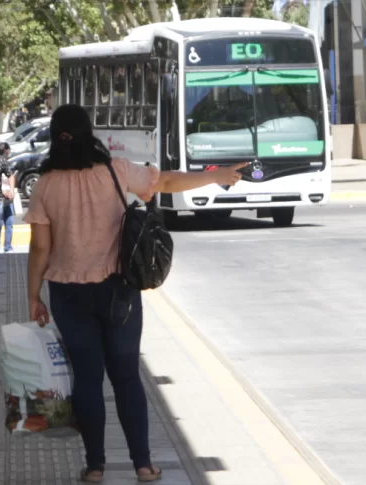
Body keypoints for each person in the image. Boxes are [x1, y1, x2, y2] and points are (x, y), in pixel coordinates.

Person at [23, 104, 245, 483]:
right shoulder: (115, 170)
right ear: (88, 132)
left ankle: (95, 467)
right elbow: (167, 182)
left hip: (68, 294)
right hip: (119, 291)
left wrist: (33, 295)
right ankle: (143, 465)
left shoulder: (46, 185)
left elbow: (41, 248)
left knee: (88, 379)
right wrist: (216, 176)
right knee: (126, 375)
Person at [0, 142, 16, 253]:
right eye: (9, 150)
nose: (9, 153)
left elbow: (11, 178)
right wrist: (3, 192)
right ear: (6, 151)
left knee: (9, 222)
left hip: (8, 199)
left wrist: (11, 191)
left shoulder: (7, 164)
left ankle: (8, 246)